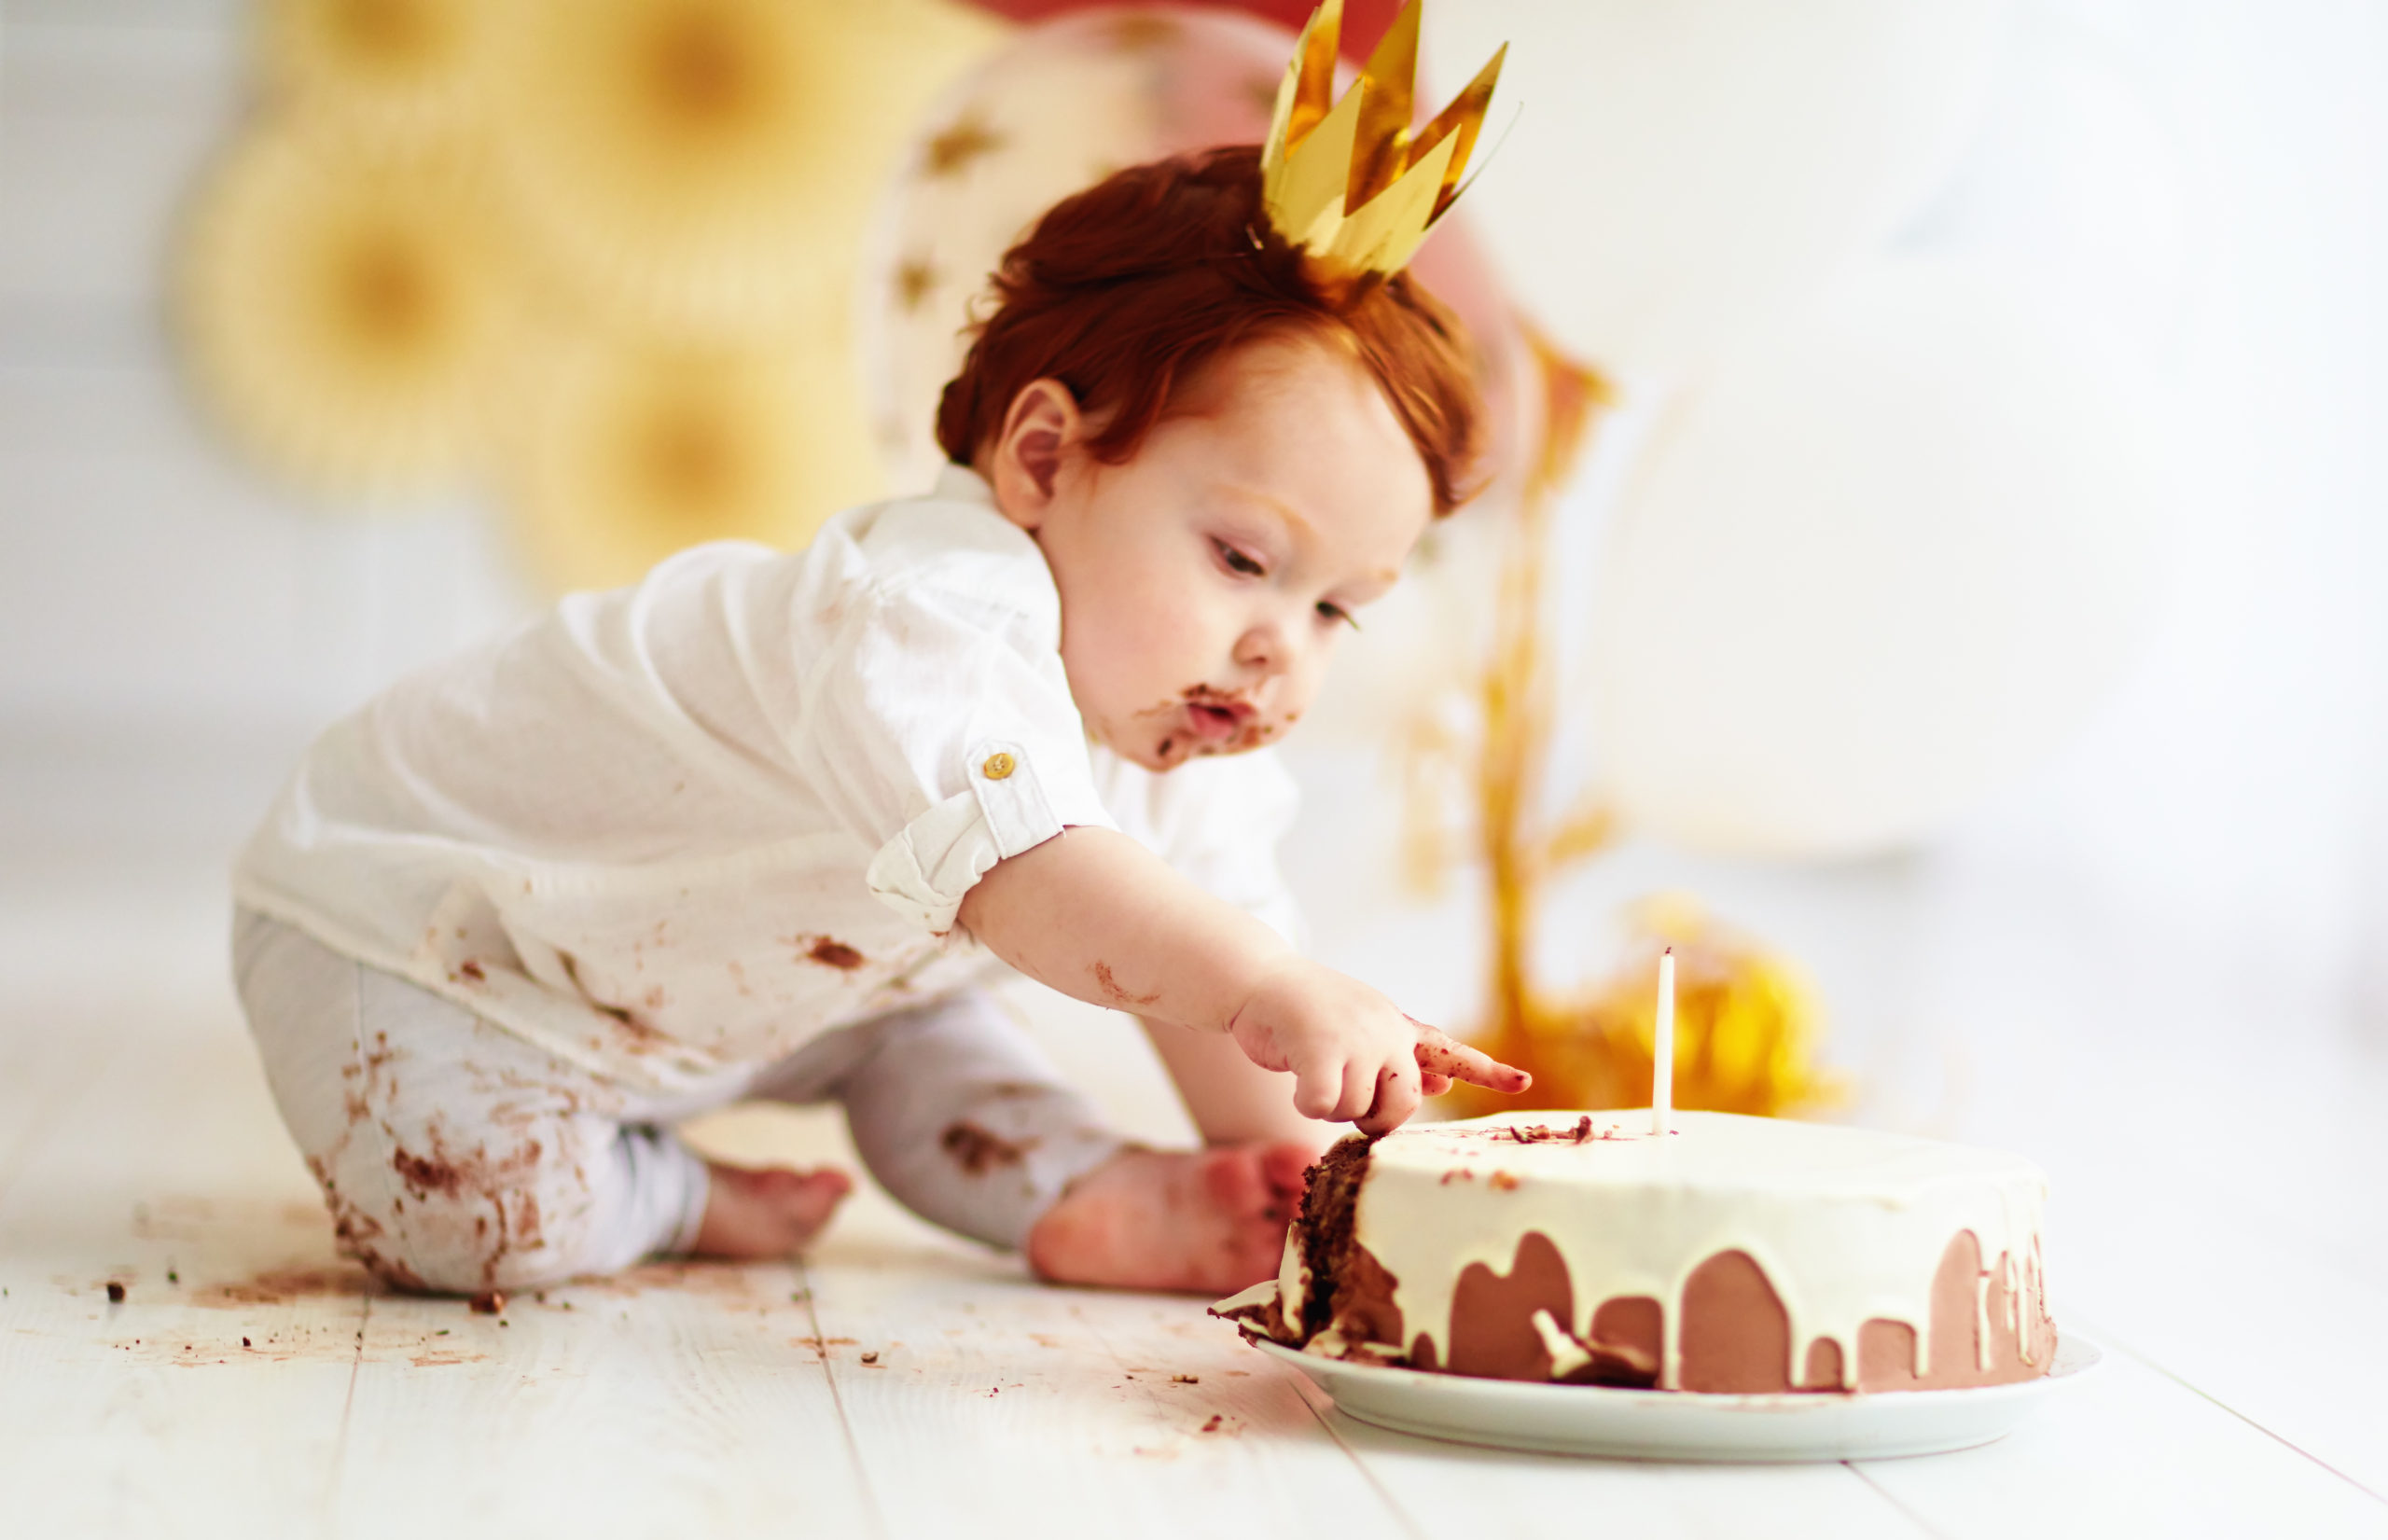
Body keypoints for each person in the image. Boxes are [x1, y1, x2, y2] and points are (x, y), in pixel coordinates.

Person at [229, 132, 1527, 1299]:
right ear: (1042, 459)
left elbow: (1227, 978)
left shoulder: (1180, 728)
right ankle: (672, 1195)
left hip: (776, 997)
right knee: (471, 1214)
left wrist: (1311, 1185)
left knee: (940, 1055)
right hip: (429, 944)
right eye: (1245, 562)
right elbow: (1039, 885)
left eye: (1335, 613)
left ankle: (1086, 1191)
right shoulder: (924, 609)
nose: (1277, 652)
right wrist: (1272, 988)